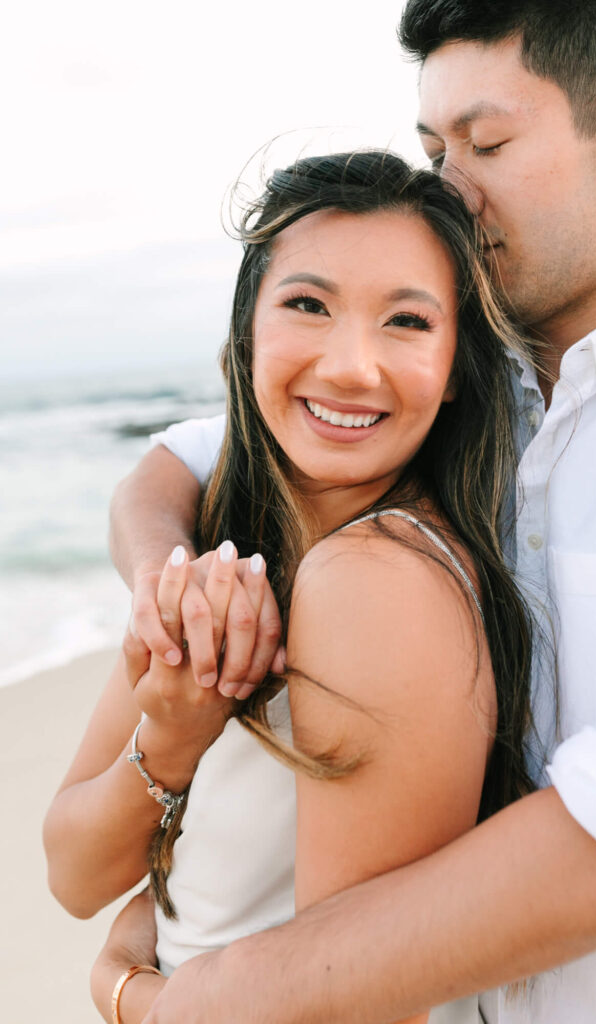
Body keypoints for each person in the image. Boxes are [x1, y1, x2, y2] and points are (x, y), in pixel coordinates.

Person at [106, 2, 596, 1022]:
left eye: (487, 144)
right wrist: (176, 589)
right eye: (431, 146)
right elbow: (184, 459)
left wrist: (206, 997)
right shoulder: (459, 371)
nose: (447, 190)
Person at [45, 150, 539, 1024]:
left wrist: (132, 998)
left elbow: (358, 1004)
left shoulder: (378, 580)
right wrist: (173, 733)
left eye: (408, 321)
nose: (351, 366)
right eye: (308, 304)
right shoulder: (227, 548)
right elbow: (74, 875)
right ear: (246, 334)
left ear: (460, 365)